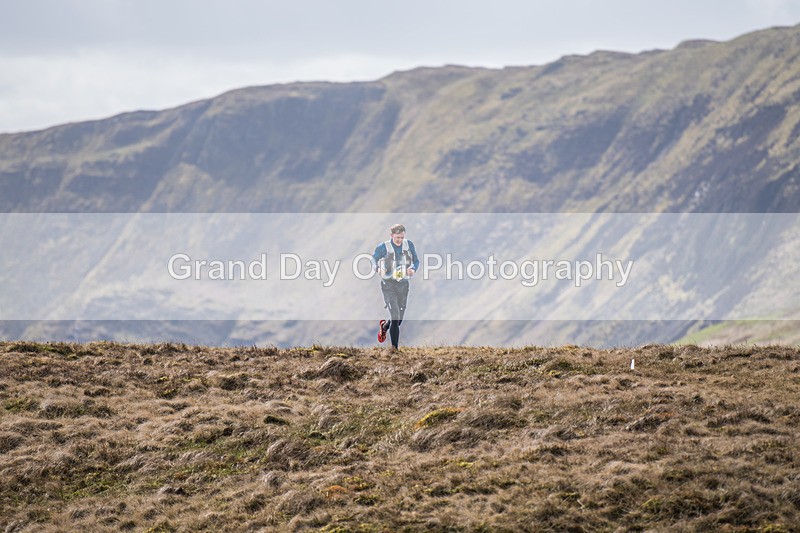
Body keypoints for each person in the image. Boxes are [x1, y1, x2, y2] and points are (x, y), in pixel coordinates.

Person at [372, 224, 420, 351]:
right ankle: (394, 350)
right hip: (388, 285)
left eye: (402, 237)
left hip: (403, 285)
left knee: (398, 321)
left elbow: (416, 261)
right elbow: (373, 259)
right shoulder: (383, 247)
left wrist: (413, 269)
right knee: (395, 315)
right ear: (392, 235)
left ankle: (384, 327)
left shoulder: (409, 245)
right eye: (397, 237)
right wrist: (378, 268)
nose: (399, 240)